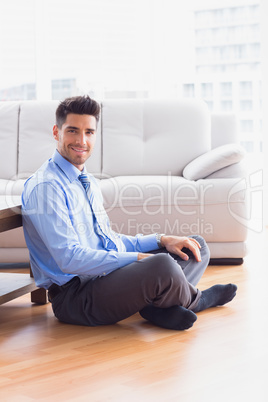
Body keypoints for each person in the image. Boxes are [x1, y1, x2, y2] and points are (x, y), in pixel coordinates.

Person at [22, 95, 237, 330]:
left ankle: (157, 306)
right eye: (73, 131)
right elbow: (69, 259)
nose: (81, 140)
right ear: (56, 132)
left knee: (194, 246)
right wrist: (138, 259)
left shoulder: (87, 182)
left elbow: (111, 242)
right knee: (162, 266)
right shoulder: (45, 187)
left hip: (105, 279)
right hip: (75, 297)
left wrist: (161, 239)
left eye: (89, 132)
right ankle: (197, 300)